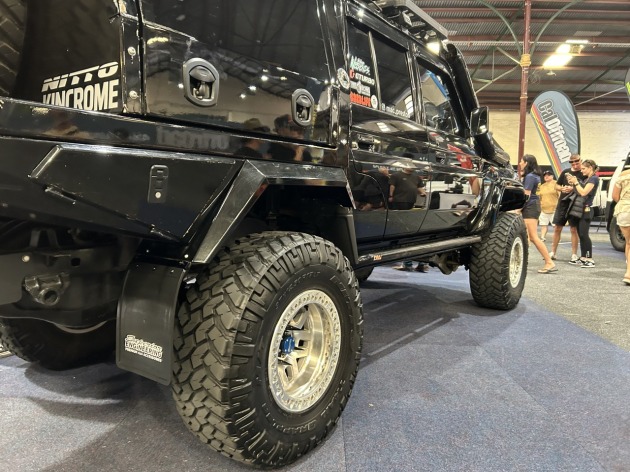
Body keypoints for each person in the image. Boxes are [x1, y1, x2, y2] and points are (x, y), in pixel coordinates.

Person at [519, 154, 556, 273]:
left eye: (521, 161)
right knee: (528, 237)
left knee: (533, 237)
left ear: (526, 163)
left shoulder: (530, 176)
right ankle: (522, 261)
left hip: (530, 207)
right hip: (532, 206)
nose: (520, 163)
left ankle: (549, 262)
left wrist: (518, 209)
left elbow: (527, 195)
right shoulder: (534, 175)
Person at [389, 164, 429, 272]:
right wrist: (391, 196)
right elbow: (392, 186)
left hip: (411, 204)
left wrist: (423, 192)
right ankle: (409, 263)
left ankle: (409, 263)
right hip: (399, 203)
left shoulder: (416, 177)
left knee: (405, 231)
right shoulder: (396, 175)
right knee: (401, 230)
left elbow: (419, 187)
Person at [566, 159, 599, 268]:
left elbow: (584, 193)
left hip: (587, 210)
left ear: (590, 168)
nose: (582, 171)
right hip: (581, 210)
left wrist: (576, 182)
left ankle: (589, 259)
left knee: (584, 234)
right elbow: (579, 192)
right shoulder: (587, 179)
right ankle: (583, 257)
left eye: (584, 168)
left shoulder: (594, 178)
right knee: (581, 234)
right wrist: (574, 184)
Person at [549, 154, 582, 262]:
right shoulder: (565, 172)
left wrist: (573, 188)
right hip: (563, 203)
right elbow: (556, 185)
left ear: (581, 161)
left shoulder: (583, 173)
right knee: (557, 228)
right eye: (572, 162)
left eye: (577, 162)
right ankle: (553, 252)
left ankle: (574, 254)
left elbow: (584, 188)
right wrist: (562, 189)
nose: (575, 164)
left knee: (573, 229)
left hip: (575, 203)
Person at [612, 167, 630, 284]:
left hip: (624, 210)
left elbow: (615, 196)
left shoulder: (623, 174)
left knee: (628, 242)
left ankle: (628, 273)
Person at [538, 170, 559, 241]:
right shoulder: (542, 186)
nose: (546, 176)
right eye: (545, 175)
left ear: (552, 176)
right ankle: (542, 237)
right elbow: (540, 197)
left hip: (554, 209)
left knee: (555, 226)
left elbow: (560, 196)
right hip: (543, 209)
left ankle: (556, 238)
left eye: (548, 175)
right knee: (543, 225)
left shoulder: (557, 184)